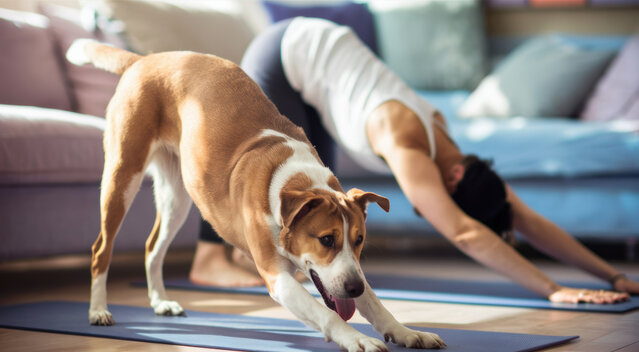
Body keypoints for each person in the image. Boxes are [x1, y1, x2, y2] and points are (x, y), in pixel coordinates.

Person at [192, 17, 639, 303]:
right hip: (285, 49)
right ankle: (208, 260)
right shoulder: (406, 145)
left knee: (316, 205)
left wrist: (612, 276)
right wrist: (554, 289)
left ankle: (242, 259)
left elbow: (526, 219)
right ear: (455, 176)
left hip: (320, 62)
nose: (425, 209)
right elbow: (465, 232)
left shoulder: (446, 138)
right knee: (262, 169)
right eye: (431, 205)